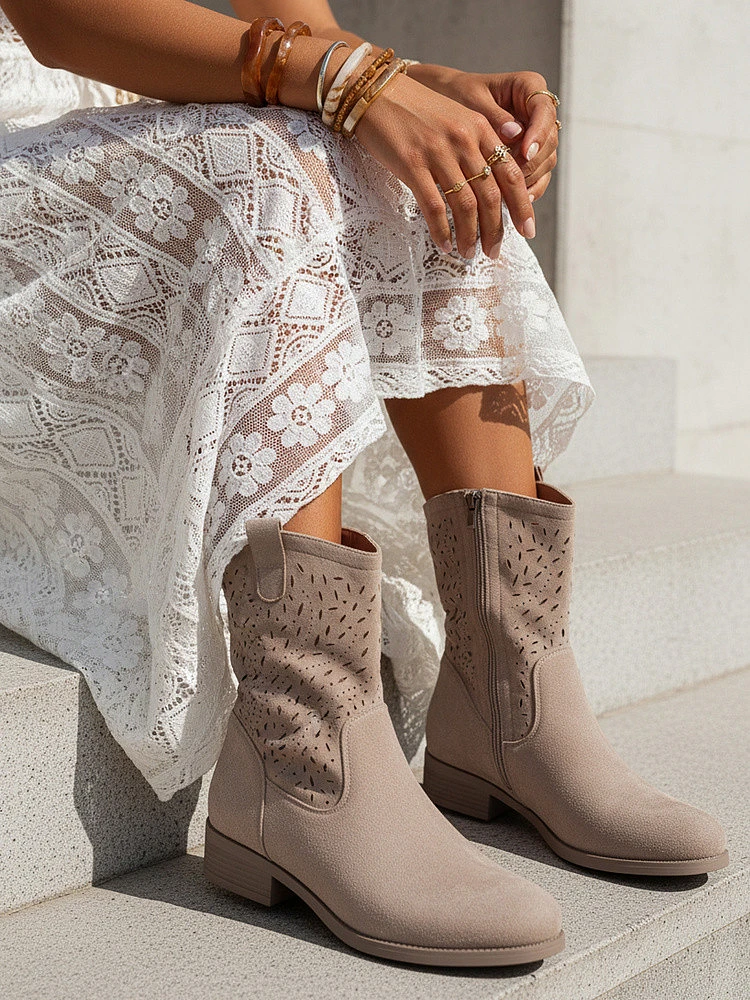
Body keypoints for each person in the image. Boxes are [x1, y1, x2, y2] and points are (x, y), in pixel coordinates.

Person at [0, 0, 727, 969]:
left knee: (429, 160)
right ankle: (301, 760)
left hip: (127, 108)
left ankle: (511, 693)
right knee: (268, 167)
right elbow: (58, 18)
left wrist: (418, 84)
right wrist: (354, 84)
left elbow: (297, 25)